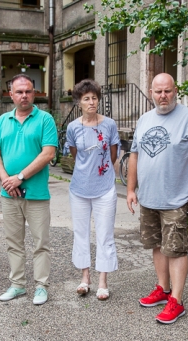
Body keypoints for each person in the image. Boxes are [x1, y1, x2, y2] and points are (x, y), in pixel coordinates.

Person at [126, 73, 188, 324]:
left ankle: (177, 300)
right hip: (149, 198)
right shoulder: (144, 120)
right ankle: (162, 289)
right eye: (158, 91)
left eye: (167, 91)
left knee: (175, 249)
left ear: (175, 91)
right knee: (157, 245)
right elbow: (134, 156)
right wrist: (131, 190)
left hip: (176, 198)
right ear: (150, 92)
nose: (163, 96)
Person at [0, 74, 57, 305]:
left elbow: (48, 153)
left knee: (40, 243)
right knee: (13, 242)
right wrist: (6, 179)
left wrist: (19, 177)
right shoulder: (2, 121)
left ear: (34, 93)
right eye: (19, 92)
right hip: (9, 194)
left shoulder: (45, 119)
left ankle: (41, 287)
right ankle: (17, 285)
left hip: (36, 193)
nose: (24, 96)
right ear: (11, 95)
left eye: (28, 91)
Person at [65, 79, 120, 300]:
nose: (91, 102)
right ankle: (84, 278)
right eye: (86, 98)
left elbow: (113, 154)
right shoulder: (73, 127)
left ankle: (102, 282)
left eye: (94, 98)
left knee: (105, 234)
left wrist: (102, 170)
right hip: (79, 188)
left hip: (105, 187)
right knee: (81, 234)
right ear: (79, 102)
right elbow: (75, 154)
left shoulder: (109, 124)